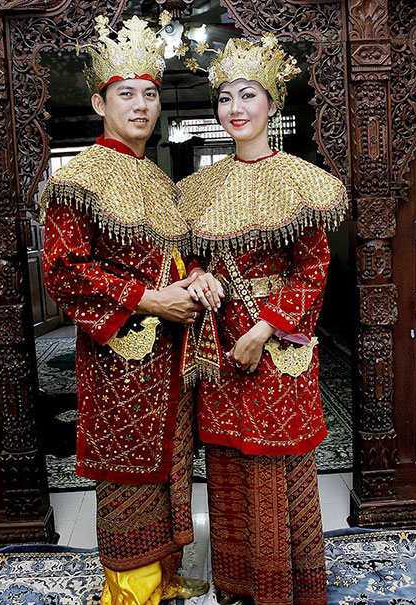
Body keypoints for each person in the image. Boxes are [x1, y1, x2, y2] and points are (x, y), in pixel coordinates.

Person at [41, 13, 211, 605]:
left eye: (149, 94)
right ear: (99, 102)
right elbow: (64, 269)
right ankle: (130, 590)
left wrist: (194, 279)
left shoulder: (158, 180)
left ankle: (164, 576)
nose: (140, 106)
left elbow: (173, 255)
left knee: (171, 462)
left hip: (172, 355)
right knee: (128, 471)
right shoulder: (80, 178)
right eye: (126, 94)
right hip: (120, 357)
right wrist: (150, 299)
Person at [179, 35, 348, 605]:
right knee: (227, 464)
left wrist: (263, 329)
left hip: (275, 344)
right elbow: (190, 258)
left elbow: (313, 269)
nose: (236, 108)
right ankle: (237, 586)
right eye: (225, 97)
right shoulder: (198, 190)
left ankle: (287, 587)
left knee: (279, 463)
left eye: (248, 94)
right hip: (220, 345)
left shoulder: (302, 181)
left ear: (272, 104)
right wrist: (198, 276)